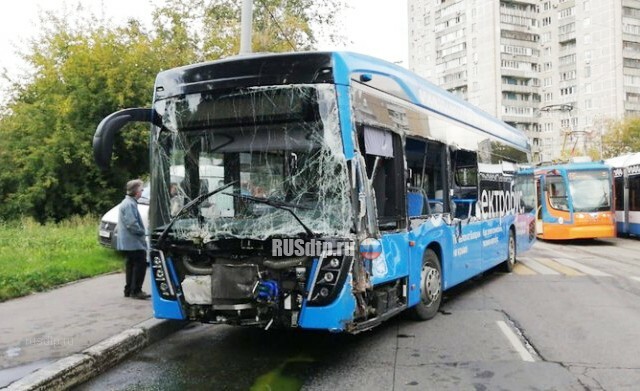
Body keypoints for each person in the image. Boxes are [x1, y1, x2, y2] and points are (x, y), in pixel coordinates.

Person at [117, 179, 150, 300]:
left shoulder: (127, 202)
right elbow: (132, 224)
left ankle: (129, 289)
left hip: (128, 242)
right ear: (136, 191)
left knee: (131, 265)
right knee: (140, 264)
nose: (142, 192)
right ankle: (136, 290)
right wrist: (143, 233)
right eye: (141, 189)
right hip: (133, 241)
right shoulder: (130, 204)